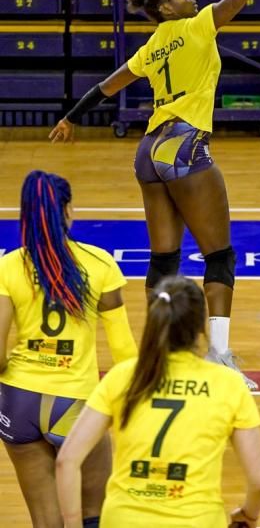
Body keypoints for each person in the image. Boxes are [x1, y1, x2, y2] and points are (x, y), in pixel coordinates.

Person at [49, 0, 260, 390]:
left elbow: (107, 86)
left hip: (148, 151)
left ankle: (157, 354)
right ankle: (219, 356)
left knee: (164, 260)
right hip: (184, 145)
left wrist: (70, 116)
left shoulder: (149, 48)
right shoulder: (199, 26)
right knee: (219, 255)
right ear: (163, 8)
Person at [56, 275, 260, 528]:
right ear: (200, 328)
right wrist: (248, 514)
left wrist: (72, 523)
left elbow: (66, 461)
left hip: (123, 520)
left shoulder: (124, 376)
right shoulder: (228, 384)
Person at [0, 169, 138, 528]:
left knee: (46, 523)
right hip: (75, 404)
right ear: (69, 211)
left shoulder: (8, 266)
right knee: (94, 516)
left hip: (18, 401)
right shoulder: (99, 263)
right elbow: (124, 351)